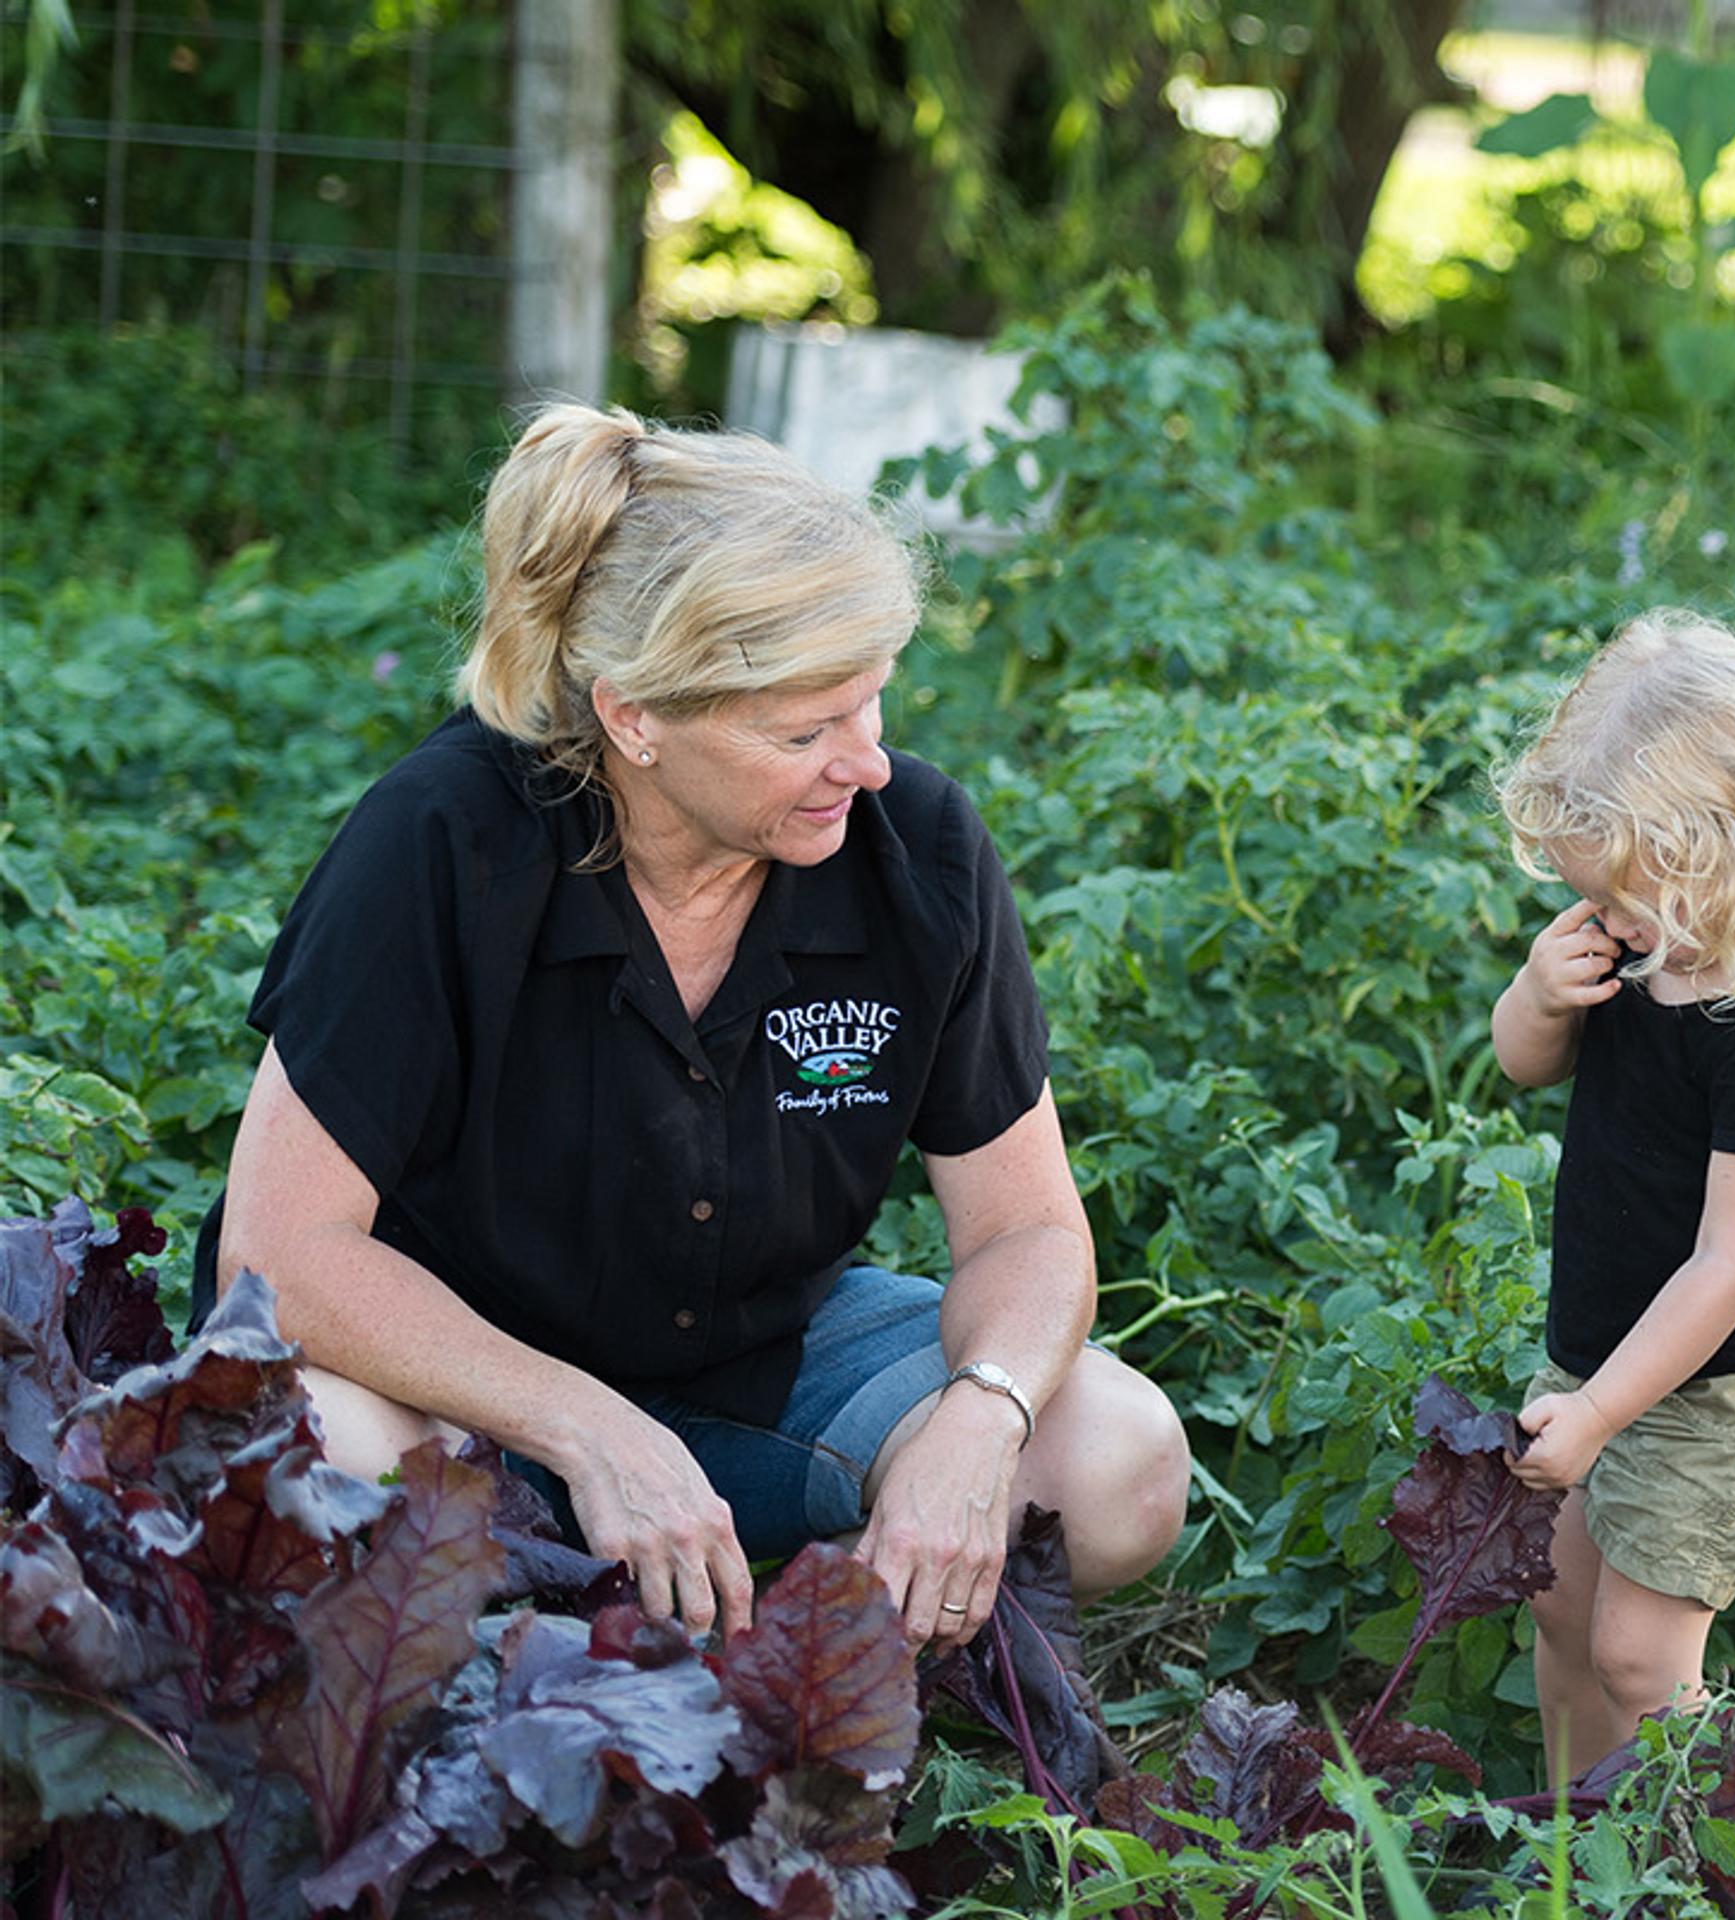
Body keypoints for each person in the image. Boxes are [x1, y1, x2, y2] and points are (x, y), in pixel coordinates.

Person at [201, 403, 1189, 1648]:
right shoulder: (442, 844)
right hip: (452, 1389)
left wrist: (979, 1419)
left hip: (762, 1361)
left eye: (873, 703)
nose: (867, 762)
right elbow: (280, 1256)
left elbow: (1030, 1228)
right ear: (633, 719)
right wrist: (586, 1426)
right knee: (317, 1466)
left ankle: (789, 1636)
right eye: (804, 730)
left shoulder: (917, 851)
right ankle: (532, 1630)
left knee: (1115, 1463)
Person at [1486, 610, 1735, 1780]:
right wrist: (1541, 996)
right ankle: (1581, 1851)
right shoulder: (1637, 945)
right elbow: (1524, 1065)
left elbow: (1734, 1261)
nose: (1609, 922)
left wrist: (1604, 1415)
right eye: (1594, 895)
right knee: (1557, 1609)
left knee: (1638, 1656)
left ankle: (1706, 1860)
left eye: (1629, 894)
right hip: (1604, 1350)